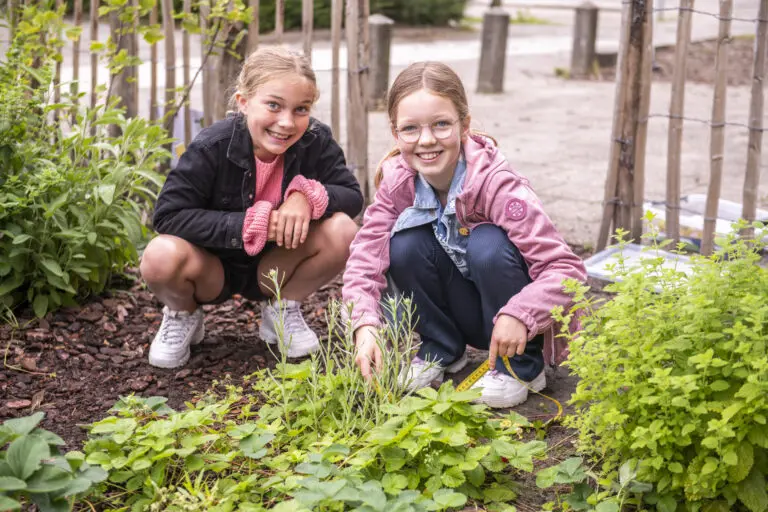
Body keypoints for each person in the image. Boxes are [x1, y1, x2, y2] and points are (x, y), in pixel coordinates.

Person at [342, 61, 586, 408]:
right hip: (469, 316)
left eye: (441, 124)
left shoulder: (496, 184)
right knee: (403, 244)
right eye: (410, 129)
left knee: (487, 243)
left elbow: (566, 269)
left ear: (464, 126)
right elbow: (365, 256)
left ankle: (522, 368)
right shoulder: (398, 183)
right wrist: (364, 325)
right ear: (396, 134)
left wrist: (521, 313)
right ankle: (442, 348)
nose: (426, 140)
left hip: (515, 324)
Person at [140, 46, 363, 369]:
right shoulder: (212, 146)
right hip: (210, 268)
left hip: (275, 266)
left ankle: (282, 308)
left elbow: (351, 194)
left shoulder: (315, 140)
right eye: (273, 105)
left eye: (301, 109)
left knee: (343, 229)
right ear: (244, 102)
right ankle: (182, 314)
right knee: (160, 255)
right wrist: (250, 223)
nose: (287, 122)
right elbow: (168, 215)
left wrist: (306, 196)